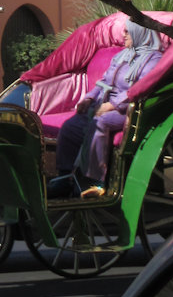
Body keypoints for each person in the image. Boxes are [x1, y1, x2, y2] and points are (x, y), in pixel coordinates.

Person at [50, 20, 163, 197]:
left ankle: (94, 181)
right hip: (104, 104)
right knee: (70, 127)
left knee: (99, 122)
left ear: (140, 34)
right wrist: (88, 98)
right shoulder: (122, 55)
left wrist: (112, 105)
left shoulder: (153, 59)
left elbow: (139, 89)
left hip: (128, 109)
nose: (123, 34)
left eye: (128, 31)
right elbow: (104, 82)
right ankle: (65, 177)